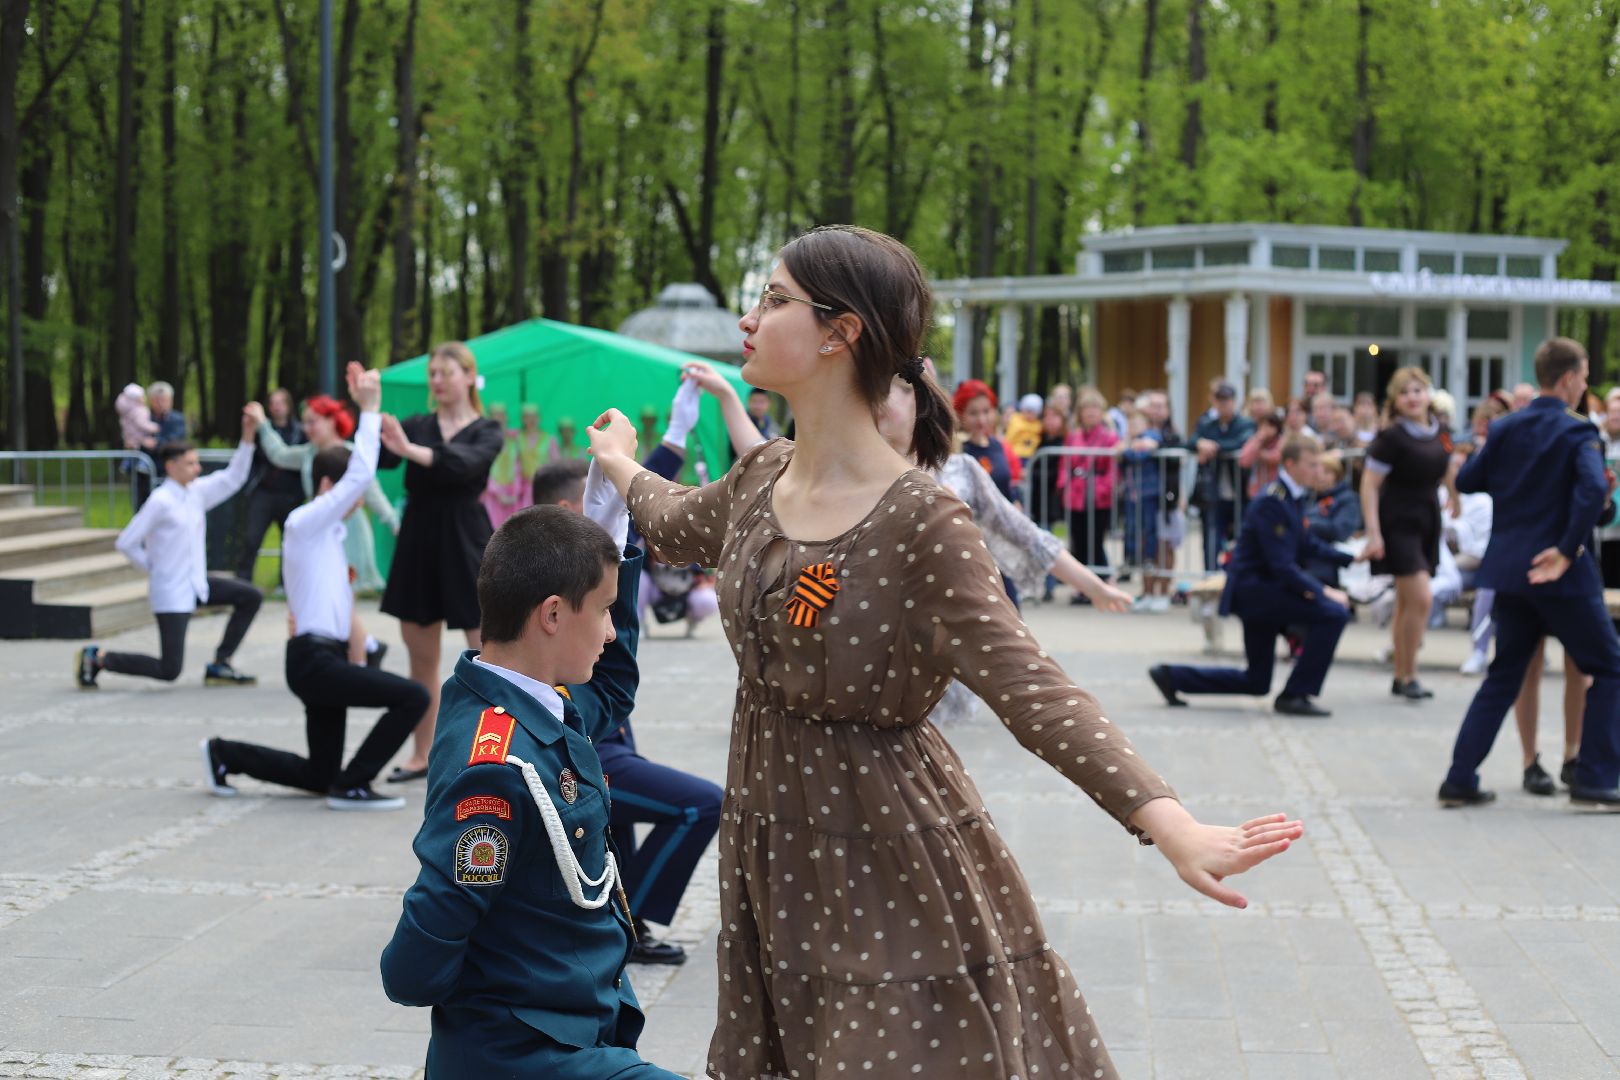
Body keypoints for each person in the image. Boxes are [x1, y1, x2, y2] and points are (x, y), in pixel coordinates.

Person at [589, 225, 1303, 1077]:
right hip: (770, 844)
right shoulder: (760, 476)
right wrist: (622, 464)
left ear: (839, 330)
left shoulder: (921, 521)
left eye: (773, 299)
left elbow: (1032, 688)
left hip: (883, 846)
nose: (750, 318)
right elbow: (670, 525)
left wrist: (1169, 822)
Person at [379, 498, 684, 1079]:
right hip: (523, 1051)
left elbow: (613, 690)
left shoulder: (523, 700)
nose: (612, 629)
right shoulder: (495, 764)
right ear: (550, 615)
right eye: (602, 610)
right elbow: (416, 962)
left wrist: (614, 534)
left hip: (576, 1027)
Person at [531, 406, 723, 967]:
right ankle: (620, 919)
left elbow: (656, 481)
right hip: (579, 739)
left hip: (600, 730)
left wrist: (674, 432)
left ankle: (621, 918)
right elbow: (612, 678)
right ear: (570, 509)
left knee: (629, 815)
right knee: (697, 806)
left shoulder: (558, 558)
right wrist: (606, 492)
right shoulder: (548, 575)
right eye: (608, 495)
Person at [203, 365, 428, 810]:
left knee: (318, 773)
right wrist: (369, 410)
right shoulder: (304, 524)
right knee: (414, 696)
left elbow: (341, 610)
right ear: (329, 486)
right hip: (312, 660)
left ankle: (224, 754)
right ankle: (355, 784)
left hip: (324, 658)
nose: (356, 503)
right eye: (348, 495)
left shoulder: (333, 538)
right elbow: (360, 476)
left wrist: (358, 657)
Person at [1439, 337, 1620, 810]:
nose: (1584, 386)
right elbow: (1588, 489)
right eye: (1582, 377)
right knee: (1611, 667)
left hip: (1511, 574)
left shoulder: (1506, 428)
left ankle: (1459, 778)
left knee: (1503, 676)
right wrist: (1564, 550)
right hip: (1560, 576)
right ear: (1566, 379)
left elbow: (1469, 480)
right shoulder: (1579, 432)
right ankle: (1596, 779)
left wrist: (1523, 481)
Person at [1149, 435, 1357, 716]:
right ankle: (1296, 694)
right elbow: (1282, 565)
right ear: (1291, 463)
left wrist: (1352, 557)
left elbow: (1305, 543)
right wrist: (1323, 592)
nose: (1317, 471)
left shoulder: (1291, 496)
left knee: (1257, 681)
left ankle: (1172, 676)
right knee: (1333, 613)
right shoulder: (1273, 500)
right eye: (1312, 464)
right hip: (1258, 594)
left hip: (1265, 593)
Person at [378, 341, 506, 783]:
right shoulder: (415, 424)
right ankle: (423, 754)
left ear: (469, 377)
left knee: (490, 654)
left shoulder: (487, 430)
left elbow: (463, 467)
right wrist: (367, 410)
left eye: (446, 373)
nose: (437, 381)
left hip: (466, 540)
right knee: (421, 659)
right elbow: (380, 456)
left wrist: (411, 450)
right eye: (432, 373)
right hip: (418, 540)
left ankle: (494, 752)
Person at [78, 411, 262, 689]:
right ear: (172, 466)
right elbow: (126, 541)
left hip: (196, 584)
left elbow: (233, 478)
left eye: (196, 462)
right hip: (172, 591)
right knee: (169, 669)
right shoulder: (161, 501)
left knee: (250, 596)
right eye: (190, 464)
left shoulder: (195, 492)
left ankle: (221, 662)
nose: (197, 469)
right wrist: (154, 567)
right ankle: (99, 658)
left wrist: (248, 437)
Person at [1362, 366, 1455, 700]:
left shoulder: (1440, 430)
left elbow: (1445, 467)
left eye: (1418, 390)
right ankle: (1410, 671)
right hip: (1398, 521)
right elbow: (1369, 485)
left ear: (1428, 393)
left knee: (1406, 601)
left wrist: (1455, 497)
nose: (1413, 397)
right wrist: (1374, 533)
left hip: (1427, 518)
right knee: (1421, 598)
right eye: (1405, 392)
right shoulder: (1391, 437)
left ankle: (1401, 675)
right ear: (1395, 400)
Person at [255, 393, 400, 597]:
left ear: (331, 420)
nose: (307, 428)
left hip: (349, 531)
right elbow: (279, 454)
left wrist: (394, 522)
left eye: (313, 422)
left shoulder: (352, 454)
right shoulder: (308, 453)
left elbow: (373, 494)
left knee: (343, 593)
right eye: (305, 423)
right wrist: (263, 424)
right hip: (318, 527)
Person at [235, 388, 307, 582]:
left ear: (289, 406)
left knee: (290, 541)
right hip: (264, 492)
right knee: (252, 538)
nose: (276, 407)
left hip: (291, 494)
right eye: (273, 402)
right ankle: (243, 581)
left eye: (281, 402)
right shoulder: (260, 431)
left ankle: (288, 583)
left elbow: (282, 456)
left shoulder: (301, 432)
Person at [1193, 381, 1255, 571]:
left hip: (1240, 495)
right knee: (1211, 541)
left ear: (1234, 401)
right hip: (1213, 494)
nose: (1223, 404)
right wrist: (1200, 443)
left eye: (1227, 400)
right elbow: (1192, 440)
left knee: (1242, 541)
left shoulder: (1245, 423)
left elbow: (1241, 443)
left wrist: (1213, 446)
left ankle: (1238, 580)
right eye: (1220, 400)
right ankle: (1210, 580)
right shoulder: (1207, 424)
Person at [1064, 389, 1119, 583]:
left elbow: (1112, 470)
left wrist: (1102, 490)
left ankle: (1102, 580)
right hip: (1076, 495)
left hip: (1098, 496)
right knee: (1078, 541)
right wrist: (1064, 485)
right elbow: (1066, 463)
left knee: (1095, 540)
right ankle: (1083, 585)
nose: (1091, 412)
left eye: (1095, 407)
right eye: (1087, 408)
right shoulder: (1073, 436)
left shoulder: (1109, 437)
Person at [954, 378, 1022, 504]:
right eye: (973, 413)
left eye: (986, 411)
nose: (981, 419)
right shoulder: (958, 451)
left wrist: (1016, 504)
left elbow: (1008, 486)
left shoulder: (997, 445)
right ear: (960, 414)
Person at [1303, 451, 1362, 586]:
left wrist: (1310, 524)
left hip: (1328, 561)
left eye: (1326, 472)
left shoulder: (1347, 499)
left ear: (1336, 475)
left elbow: (1341, 530)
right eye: (1317, 472)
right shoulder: (1308, 498)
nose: (1320, 477)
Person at [480, 402, 528, 530]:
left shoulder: (515, 439)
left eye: (502, 414)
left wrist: (516, 492)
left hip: (512, 495)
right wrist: (497, 492)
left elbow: (519, 467)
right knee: (492, 531)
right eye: (495, 414)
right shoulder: (483, 440)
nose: (499, 418)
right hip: (491, 495)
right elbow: (483, 468)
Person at [1239, 411, 1285, 500]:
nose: (1266, 429)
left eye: (1270, 425)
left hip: (1277, 489)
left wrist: (1261, 454)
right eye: (1263, 425)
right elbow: (1244, 461)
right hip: (1257, 490)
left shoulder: (1281, 440)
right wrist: (1258, 440)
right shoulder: (1255, 439)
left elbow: (1277, 457)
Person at [1005, 392, 1045, 463]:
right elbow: (1010, 437)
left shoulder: (1038, 424)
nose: (1029, 415)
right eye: (1028, 411)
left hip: (1032, 456)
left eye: (1032, 412)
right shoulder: (1016, 420)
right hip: (1015, 454)